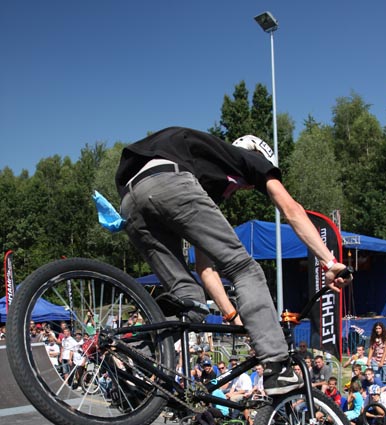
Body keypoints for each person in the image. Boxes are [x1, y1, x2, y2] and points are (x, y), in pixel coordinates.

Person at [116, 127, 350, 395]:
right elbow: (291, 209)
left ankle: (132, 358)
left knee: (188, 298)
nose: (248, 189)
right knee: (245, 268)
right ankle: (277, 367)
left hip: (129, 200)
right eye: (249, 185)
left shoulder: (208, 178)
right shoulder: (247, 159)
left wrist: (232, 315)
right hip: (169, 182)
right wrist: (329, 262)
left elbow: (205, 267)